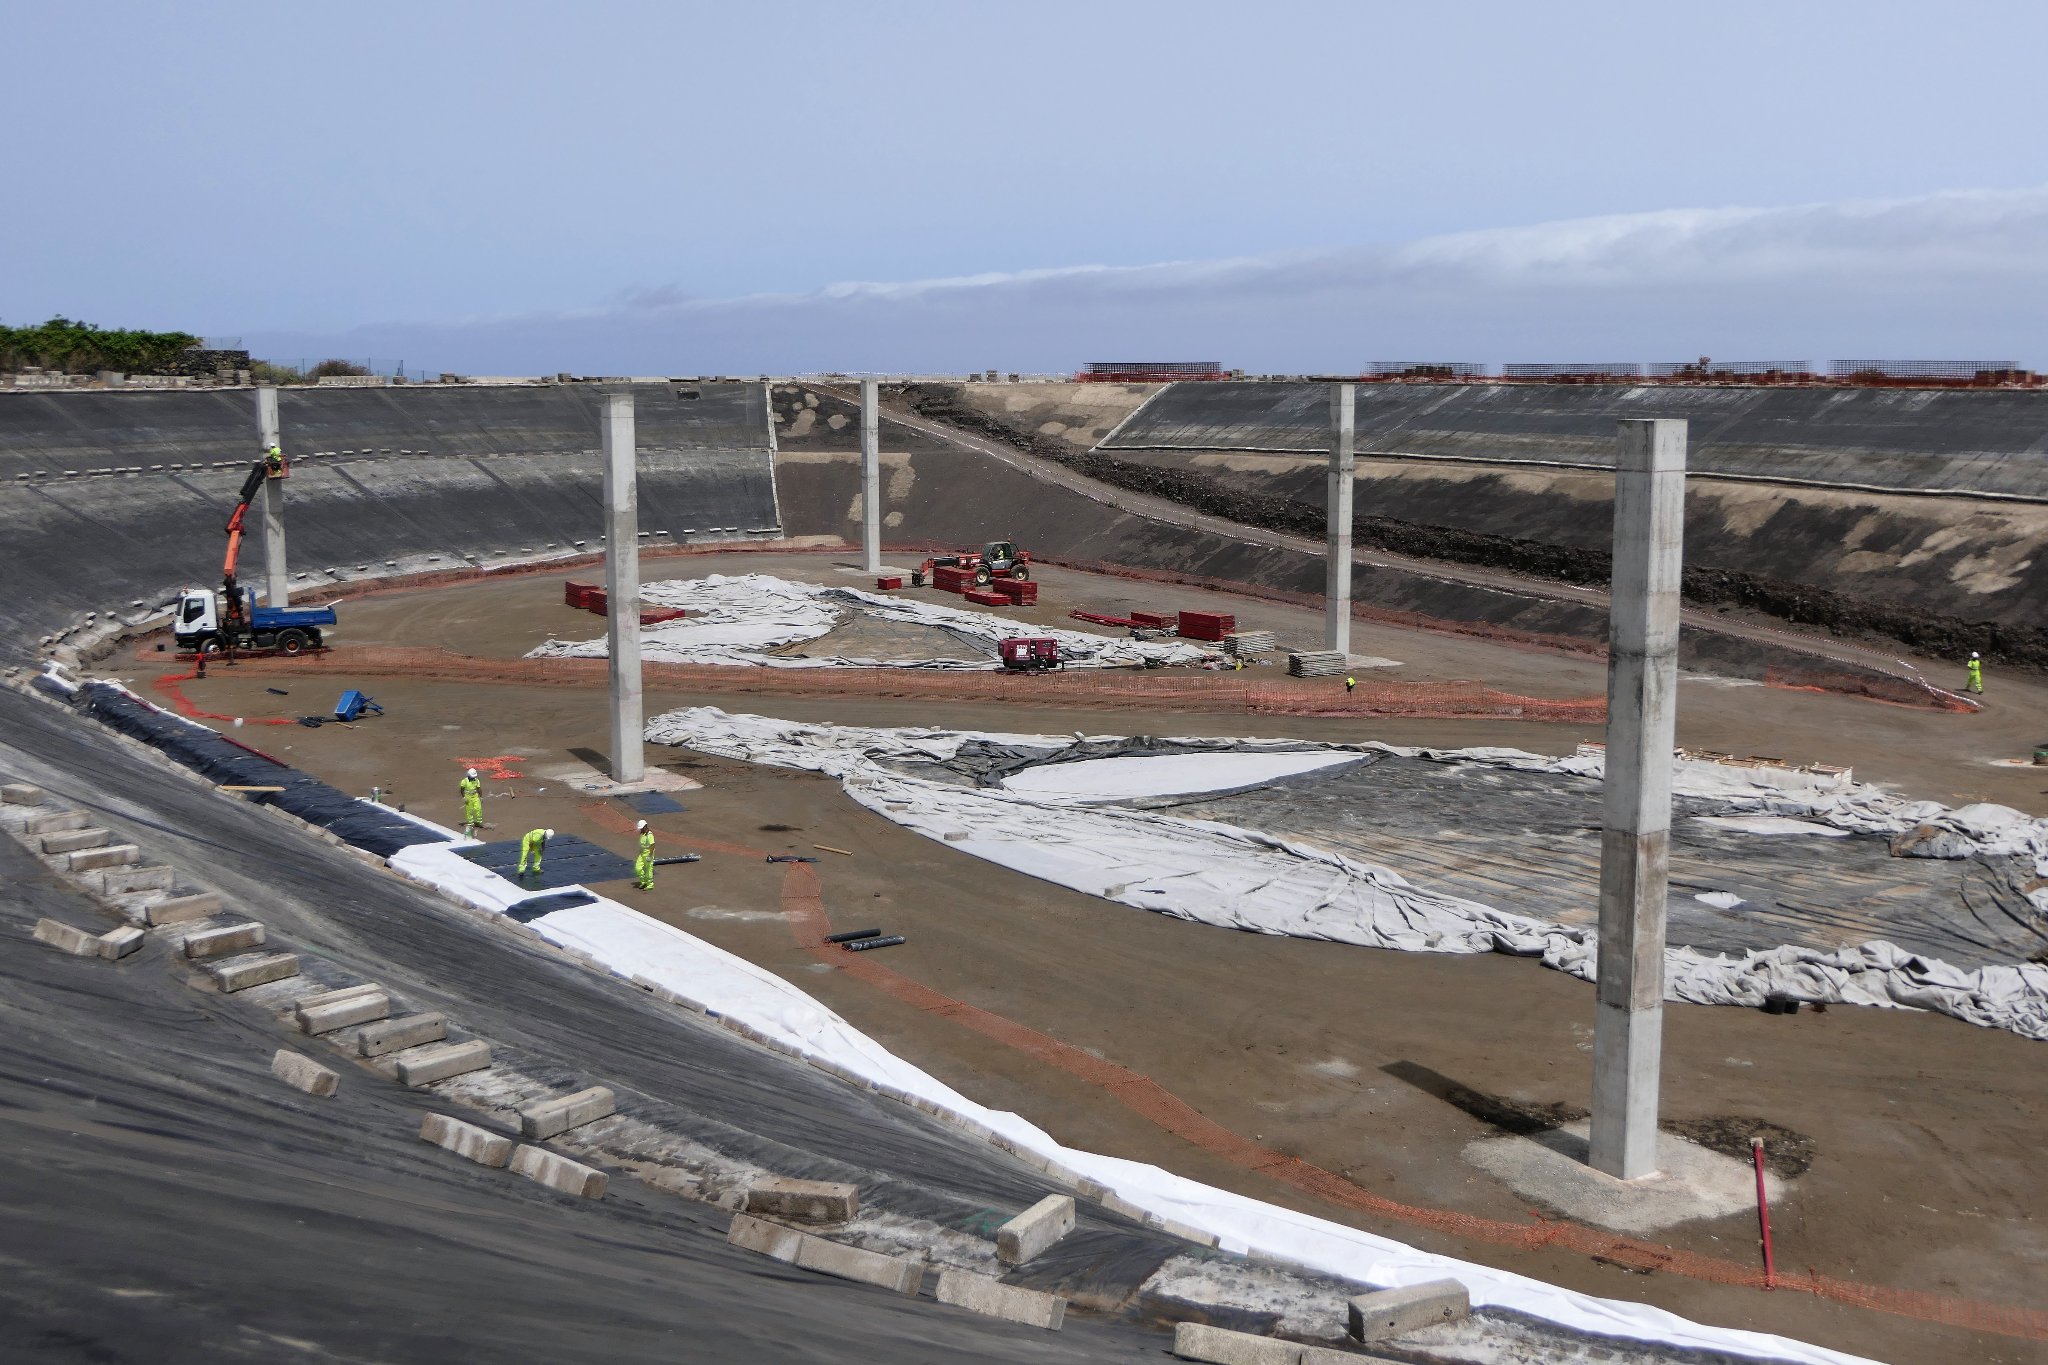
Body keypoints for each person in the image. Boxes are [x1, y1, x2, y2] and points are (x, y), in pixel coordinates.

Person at [459, 767, 483, 838]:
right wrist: (464, 797)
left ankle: (478, 822)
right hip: (468, 798)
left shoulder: (477, 780)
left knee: (478, 808)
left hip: (475, 797)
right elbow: (462, 790)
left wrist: (480, 797)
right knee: (469, 810)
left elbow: (479, 789)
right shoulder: (464, 781)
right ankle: (471, 823)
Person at [634, 819, 656, 891]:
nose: (640, 830)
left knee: (648, 869)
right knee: (638, 867)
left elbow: (652, 845)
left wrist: (650, 855)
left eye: (641, 828)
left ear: (645, 827)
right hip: (642, 853)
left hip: (648, 854)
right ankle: (644, 881)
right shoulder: (642, 834)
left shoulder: (649, 835)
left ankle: (650, 884)